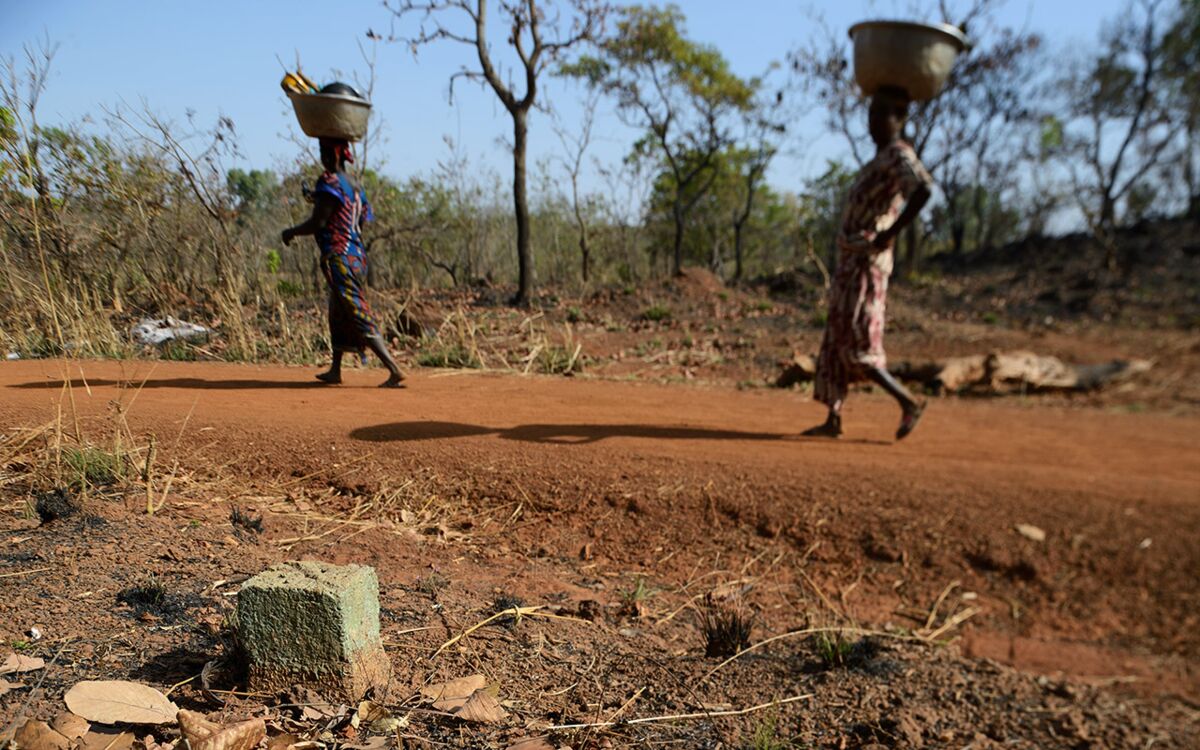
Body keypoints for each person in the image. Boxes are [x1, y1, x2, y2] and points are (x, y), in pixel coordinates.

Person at [804, 86, 932, 440]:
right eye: (872, 114)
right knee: (837, 339)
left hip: (868, 262)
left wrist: (890, 232)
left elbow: (922, 190)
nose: (873, 121)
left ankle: (908, 401)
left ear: (899, 120)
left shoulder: (897, 155)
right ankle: (834, 419)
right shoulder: (878, 160)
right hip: (851, 260)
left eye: (882, 115)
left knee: (860, 338)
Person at [282, 137, 405, 388]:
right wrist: (316, 200)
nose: (322, 158)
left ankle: (393, 367)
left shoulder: (328, 181)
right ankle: (335, 369)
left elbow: (319, 222)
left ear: (335, 156)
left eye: (324, 152)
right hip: (357, 257)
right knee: (338, 311)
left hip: (340, 257)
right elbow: (357, 220)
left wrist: (291, 232)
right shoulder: (357, 186)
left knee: (356, 310)